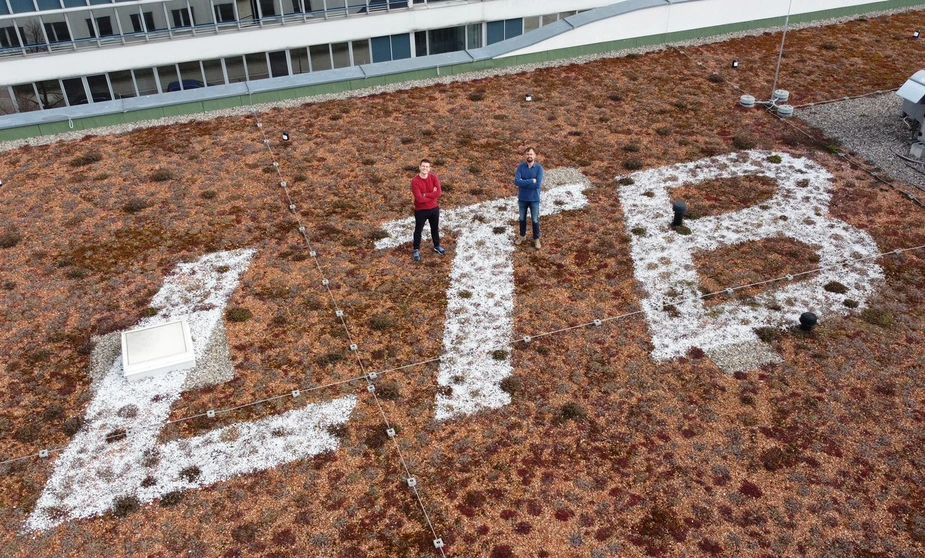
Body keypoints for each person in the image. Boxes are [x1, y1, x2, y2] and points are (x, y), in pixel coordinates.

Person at [410, 158, 446, 261]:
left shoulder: (433, 177)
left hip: (434, 208)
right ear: (419, 167)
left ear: (429, 168)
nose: (425, 168)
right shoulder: (415, 181)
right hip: (421, 210)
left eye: (427, 166)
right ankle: (416, 249)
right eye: (423, 166)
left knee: (435, 228)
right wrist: (432, 195)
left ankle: (437, 245)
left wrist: (425, 194)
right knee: (418, 230)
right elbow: (419, 199)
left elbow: (438, 193)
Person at [514, 147, 544, 249]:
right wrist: (531, 180)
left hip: (534, 199)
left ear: (535, 155)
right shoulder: (520, 167)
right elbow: (516, 182)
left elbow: (538, 185)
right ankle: (522, 235)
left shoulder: (539, 168)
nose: (529, 156)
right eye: (527, 154)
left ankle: (536, 239)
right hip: (522, 198)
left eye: (531, 154)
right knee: (522, 218)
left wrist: (524, 182)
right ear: (525, 155)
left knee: (535, 219)